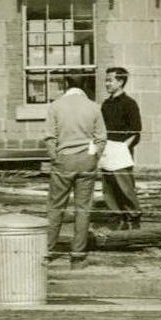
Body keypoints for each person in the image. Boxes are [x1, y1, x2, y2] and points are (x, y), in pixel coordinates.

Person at [43, 73, 107, 267]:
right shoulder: (94, 107)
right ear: (85, 85)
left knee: (56, 206)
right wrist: (92, 156)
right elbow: (101, 138)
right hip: (86, 161)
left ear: (66, 85)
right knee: (83, 208)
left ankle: (47, 250)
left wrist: (55, 157)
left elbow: (50, 138)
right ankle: (77, 255)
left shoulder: (55, 106)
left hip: (63, 161)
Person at [100, 66, 143, 230]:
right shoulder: (105, 104)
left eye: (110, 80)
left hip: (121, 151)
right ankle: (116, 217)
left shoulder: (129, 104)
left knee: (125, 185)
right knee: (108, 187)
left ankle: (133, 216)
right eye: (106, 80)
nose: (107, 84)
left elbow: (136, 130)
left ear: (120, 81)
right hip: (106, 150)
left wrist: (122, 149)